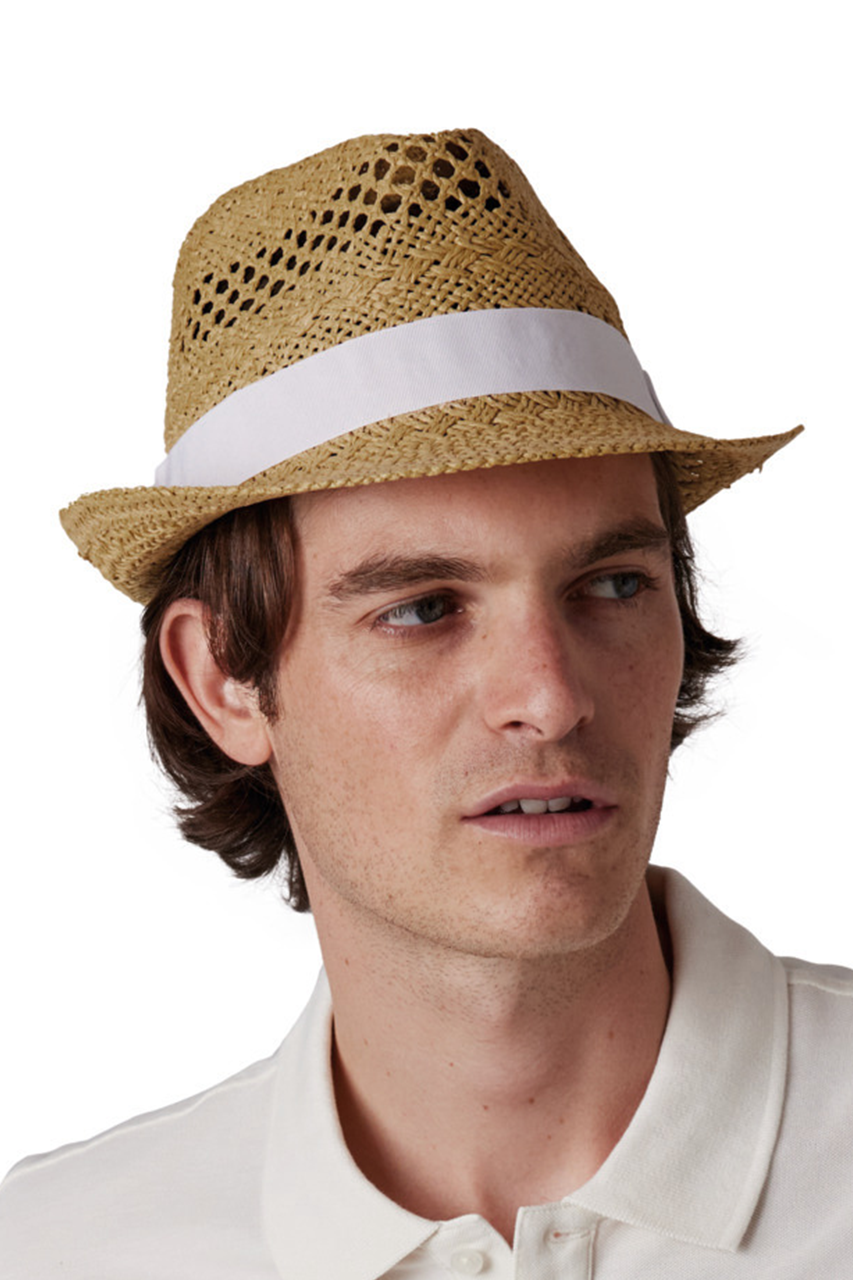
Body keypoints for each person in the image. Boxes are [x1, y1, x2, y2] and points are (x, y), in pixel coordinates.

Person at [1, 128, 850, 1276]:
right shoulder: (62, 1250)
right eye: (423, 608)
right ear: (221, 680)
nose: (548, 696)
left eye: (611, 584)